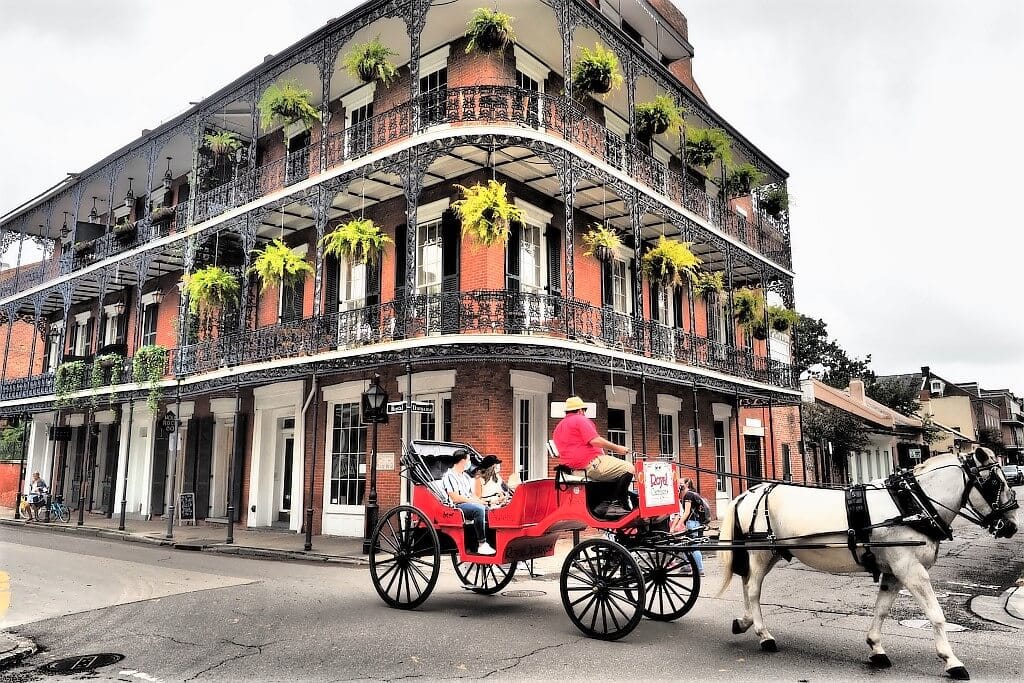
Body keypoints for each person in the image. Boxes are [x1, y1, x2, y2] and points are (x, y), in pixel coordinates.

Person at [552, 395, 635, 516]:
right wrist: (618, 449)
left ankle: (604, 504)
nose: (584, 413)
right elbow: (595, 440)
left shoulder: (558, 428)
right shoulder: (580, 419)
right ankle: (616, 504)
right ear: (580, 410)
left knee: (613, 472)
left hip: (574, 470)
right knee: (629, 468)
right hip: (590, 464)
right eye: (584, 410)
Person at [442, 450, 496, 555]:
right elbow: (455, 498)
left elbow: (472, 494)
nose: (469, 462)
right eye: (468, 460)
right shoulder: (449, 476)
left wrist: (481, 501)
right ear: (462, 461)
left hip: (468, 503)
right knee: (479, 510)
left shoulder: (465, 476)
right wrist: (474, 502)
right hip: (457, 506)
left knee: (489, 511)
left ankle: (492, 542)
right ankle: (482, 543)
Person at [670, 477, 705, 576]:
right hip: (695, 522)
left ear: (686, 484)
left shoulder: (688, 495)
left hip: (691, 523)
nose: (679, 484)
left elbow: (686, 512)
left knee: (693, 546)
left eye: (680, 483)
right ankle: (688, 566)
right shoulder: (692, 494)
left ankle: (699, 569)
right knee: (686, 544)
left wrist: (679, 524)